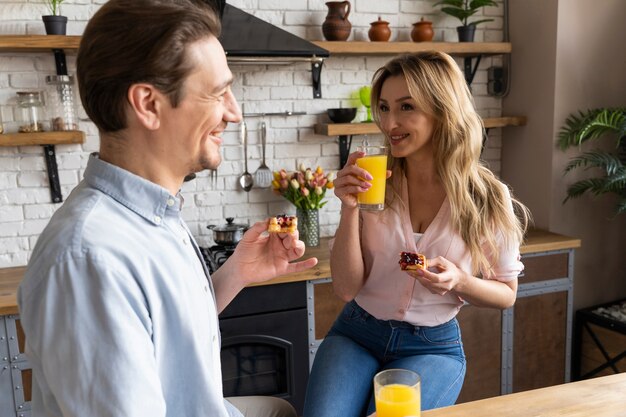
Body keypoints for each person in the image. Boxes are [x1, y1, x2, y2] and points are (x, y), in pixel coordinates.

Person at [17, 1, 317, 417]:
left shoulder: (154, 215)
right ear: (148, 104)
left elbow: (166, 334)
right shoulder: (88, 259)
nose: (234, 112)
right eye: (217, 92)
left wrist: (236, 275)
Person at [303, 51, 531, 417]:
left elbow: (506, 294)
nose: (390, 122)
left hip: (432, 347)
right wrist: (348, 207)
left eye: (406, 107)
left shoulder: (487, 198)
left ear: (442, 110)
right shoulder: (375, 182)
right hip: (357, 332)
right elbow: (346, 289)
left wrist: (459, 281)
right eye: (384, 107)